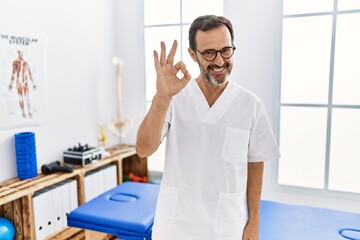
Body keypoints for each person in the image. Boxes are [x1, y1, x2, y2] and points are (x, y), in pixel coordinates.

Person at [136, 15, 280, 240]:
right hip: (175, 226)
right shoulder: (175, 97)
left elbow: (255, 164)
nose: (220, 61)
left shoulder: (251, 105)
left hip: (226, 227)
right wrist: (161, 98)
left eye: (226, 50)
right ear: (193, 54)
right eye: (209, 53)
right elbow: (144, 149)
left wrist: (254, 221)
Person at [8, 50, 36, 118]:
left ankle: (29, 112)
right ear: (18, 54)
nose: (20, 55)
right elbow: (13, 73)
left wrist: (33, 84)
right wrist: (11, 84)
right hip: (19, 82)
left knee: (27, 98)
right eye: (19, 53)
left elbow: (29, 74)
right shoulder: (15, 62)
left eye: (21, 54)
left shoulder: (26, 63)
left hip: (25, 82)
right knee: (21, 98)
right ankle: (23, 112)